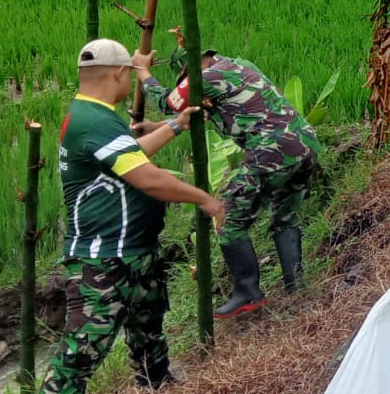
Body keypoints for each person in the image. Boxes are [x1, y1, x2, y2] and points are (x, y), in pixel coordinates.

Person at [29, 40, 225, 394]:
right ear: (119, 74)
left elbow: (130, 158)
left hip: (134, 249)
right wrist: (205, 199)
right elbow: (147, 179)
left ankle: (157, 386)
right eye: (129, 74)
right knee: (85, 346)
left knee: (148, 322)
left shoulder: (95, 114)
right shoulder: (91, 121)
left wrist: (173, 126)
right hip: (103, 258)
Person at [136, 45, 322, 316]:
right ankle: (296, 286)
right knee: (285, 219)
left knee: (227, 219)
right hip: (303, 146)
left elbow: (168, 101)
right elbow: (209, 112)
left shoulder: (207, 78)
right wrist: (159, 128)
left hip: (270, 153)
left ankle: (249, 293)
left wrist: (142, 70)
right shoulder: (237, 65)